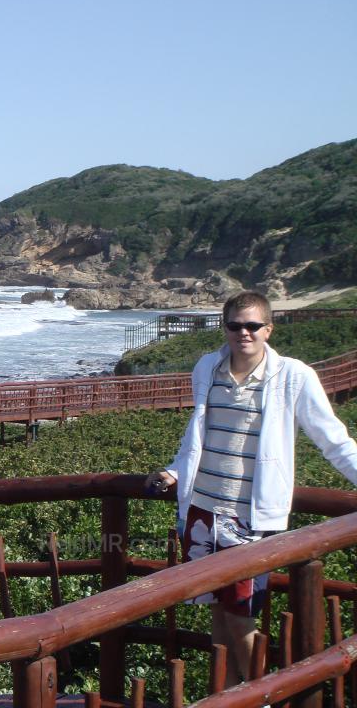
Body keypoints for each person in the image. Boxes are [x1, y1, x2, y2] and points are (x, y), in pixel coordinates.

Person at [145, 291, 357, 686]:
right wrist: (177, 470)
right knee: (217, 610)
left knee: (242, 614)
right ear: (224, 328)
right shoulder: (207, 366)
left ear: (268, 329)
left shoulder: (293, 376)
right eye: (234, 325)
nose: (244, 332)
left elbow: (335, 441)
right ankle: (226, 692)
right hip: (202, 509)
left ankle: (259, 693)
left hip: (249, 519)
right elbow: (199, 434)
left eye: (253, 325)